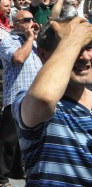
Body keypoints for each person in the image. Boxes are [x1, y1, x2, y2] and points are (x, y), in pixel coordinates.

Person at [12, 17, 92, 185]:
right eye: (74, 48)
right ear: (42, 54)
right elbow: (43, 98)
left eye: (89, 47)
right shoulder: (25, 100)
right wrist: (73, 40)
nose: (85, 57)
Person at [0, 10, 42, 186]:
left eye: (32, 19)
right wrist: (29, 39)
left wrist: (39, 37)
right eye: (26, 20)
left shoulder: (35, 42)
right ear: (15, 23)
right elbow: (19, 58)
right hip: (16, 96)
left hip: (35, 96)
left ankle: (17, 169)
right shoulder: (9, 41)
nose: (31, 22)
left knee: (27, 136)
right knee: (9, 139)